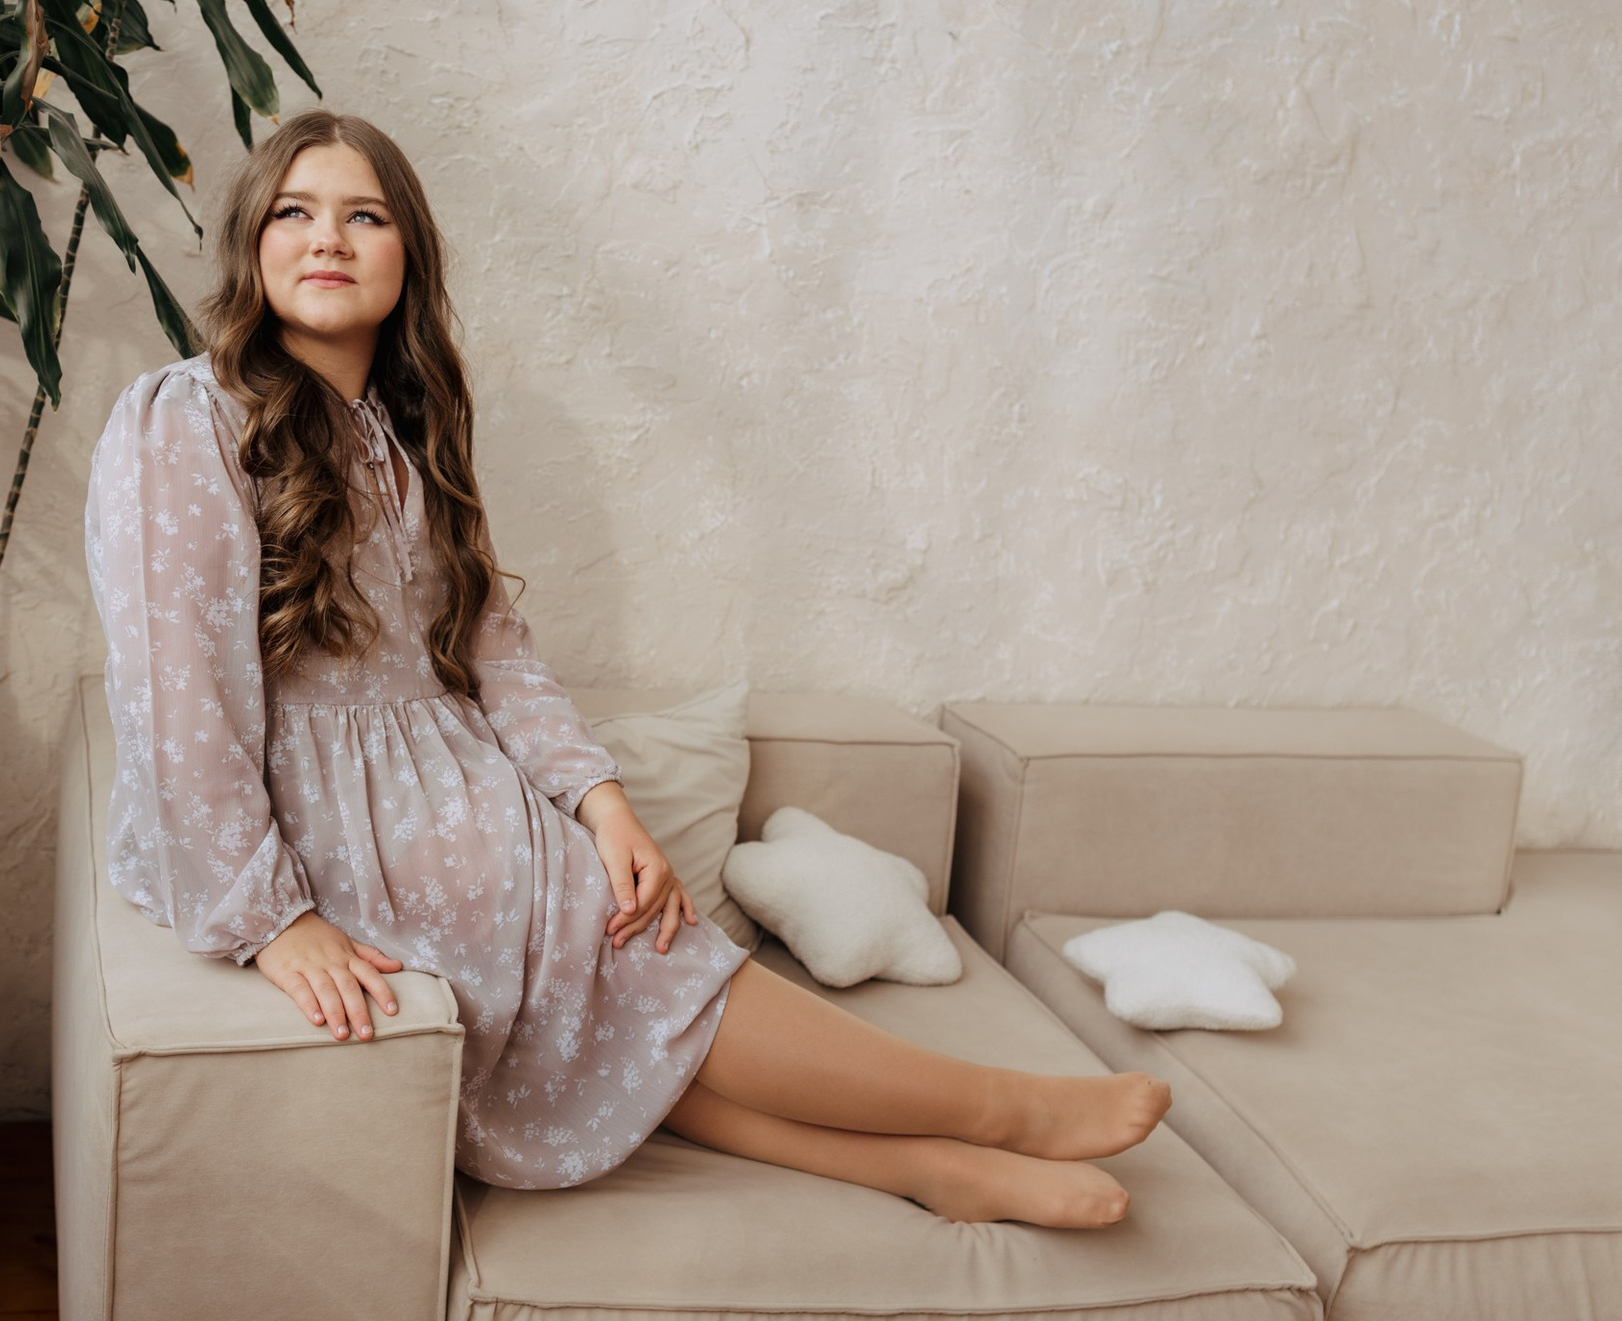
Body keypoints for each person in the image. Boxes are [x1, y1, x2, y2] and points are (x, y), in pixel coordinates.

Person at [83, 108, 1171, 1225]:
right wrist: (271, 919)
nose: (327, 238)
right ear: (251, 242)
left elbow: (494, 648)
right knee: (632, 948)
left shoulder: (408, 432)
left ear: (409, 254)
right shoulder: (186, 419)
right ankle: (1000, 1108)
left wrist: (603, 805)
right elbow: (177, 695)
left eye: (364, 215)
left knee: (627, 958)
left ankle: (922, 1167)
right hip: (317, 818)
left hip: (452, 787)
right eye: (294, 212)